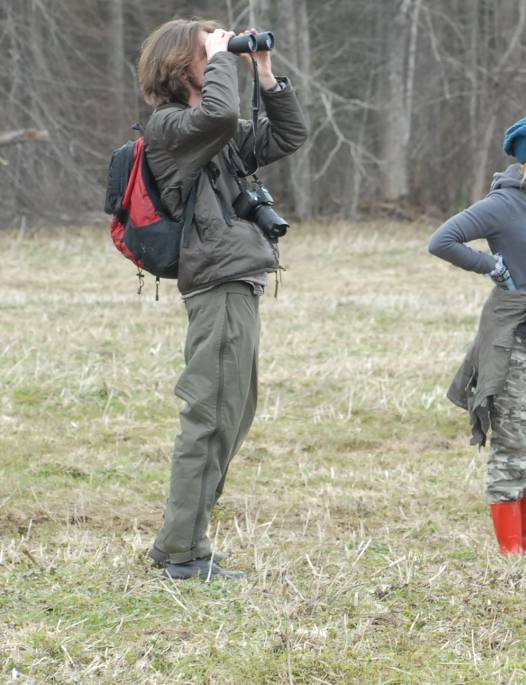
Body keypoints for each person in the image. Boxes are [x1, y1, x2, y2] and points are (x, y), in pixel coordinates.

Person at [138, 19, 307, 579]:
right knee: (209, 418)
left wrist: (264, 73)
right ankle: (181, 553)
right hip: (216, 282)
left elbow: (288, 136)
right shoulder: (169, 126)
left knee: (232, 416)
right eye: (205, 49)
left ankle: (184, 541)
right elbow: (217, 115)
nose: (218, 52)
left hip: (237, 282)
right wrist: (217, 58)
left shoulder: (215, 130)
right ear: (178, 63)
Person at [430, 115, 526, 556]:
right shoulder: (503, 204)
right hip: (511, 334)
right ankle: (511, 551)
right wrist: (490, 267)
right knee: (514, 439)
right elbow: (443, 240)